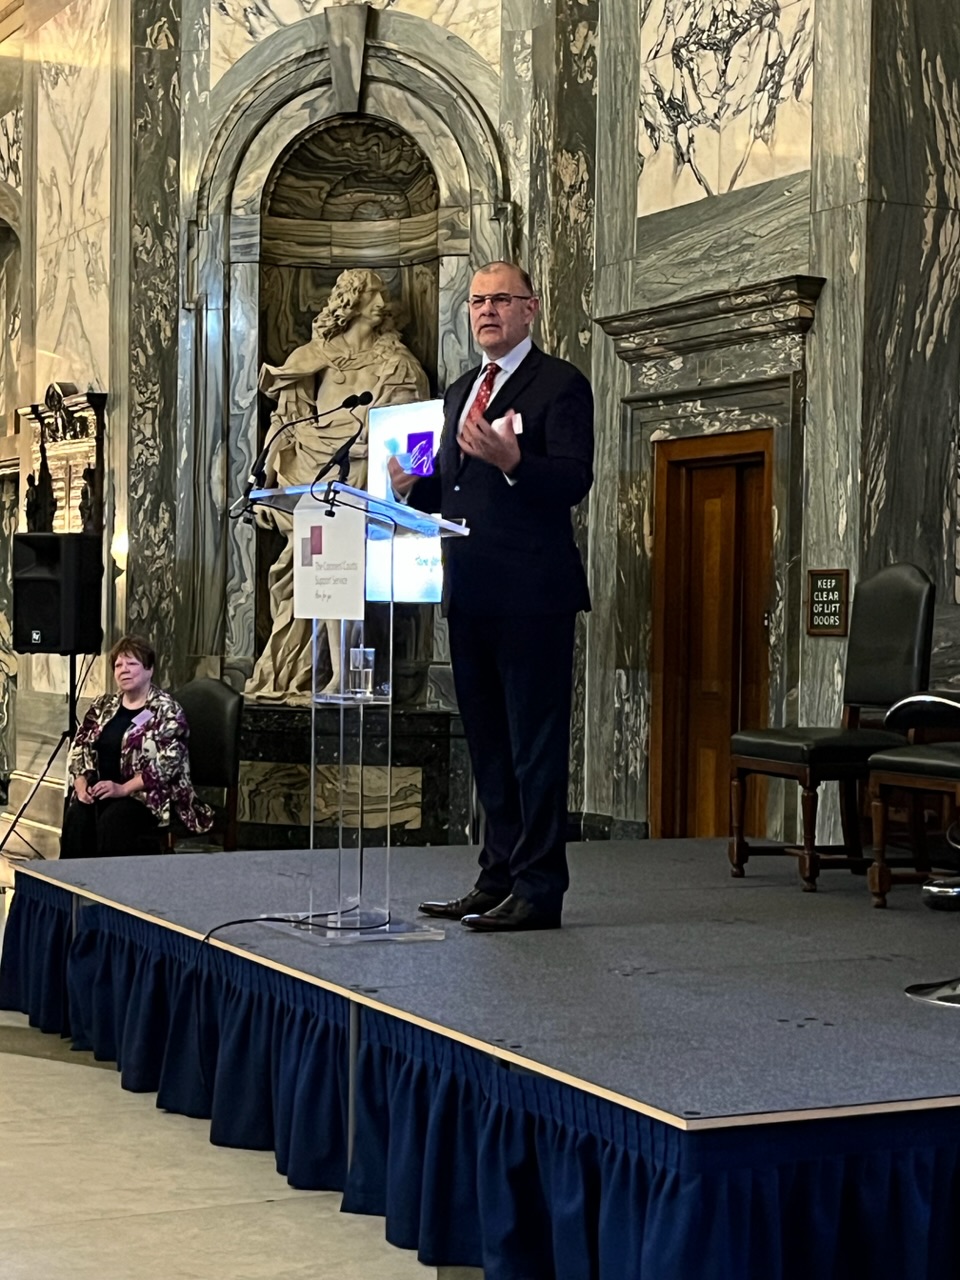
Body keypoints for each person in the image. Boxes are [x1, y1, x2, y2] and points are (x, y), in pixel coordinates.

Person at [389, 262, 594, 931]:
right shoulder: (459, 392)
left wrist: (512, 463)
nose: (486, 311)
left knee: (534, 745)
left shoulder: (560, 384)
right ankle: (497, 874)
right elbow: (455, 485)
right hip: (470, 591)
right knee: (488, 746)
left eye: (500, 300)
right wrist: (410, 487)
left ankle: (539, 888)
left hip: (534, 595)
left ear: (530, 309)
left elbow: (571, 479)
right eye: (478, 301)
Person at [247, 267, 429, 700]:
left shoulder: (397, 363)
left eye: (382, 295)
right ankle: (312, 671)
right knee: (309, 577)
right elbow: (287, 417)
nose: (381, 304)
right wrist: (269, 470)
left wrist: (398, 465)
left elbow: (415, 436)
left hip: (367, 482)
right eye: (371, 295)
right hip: (316, 480)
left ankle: (347, 674)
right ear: (350, 302)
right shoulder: (318, 354)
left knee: (347, 579)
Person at [60, 635, 213, 858]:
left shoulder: (166, 710)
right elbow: (80, 745)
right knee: (78, 815)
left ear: (149, 669)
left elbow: (169, 762)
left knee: (113, 822)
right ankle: (69, 888)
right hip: (102, 790)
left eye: (132, 664)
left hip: (147, 797)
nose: (124, 670)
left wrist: (122, 789)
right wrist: (81, 783)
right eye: (118, 665)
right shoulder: (103, 705)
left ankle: (109, 889)